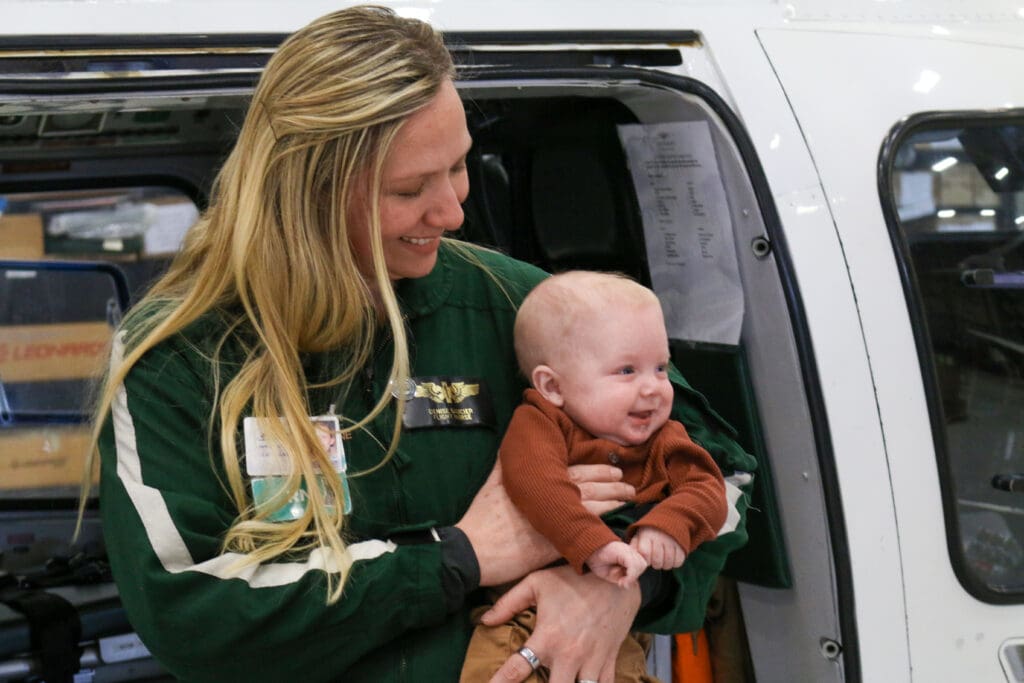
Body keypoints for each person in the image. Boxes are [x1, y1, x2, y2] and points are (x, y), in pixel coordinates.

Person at [83, 6, 755, 682]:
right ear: (306, 189)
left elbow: (723, 478)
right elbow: (189, 611)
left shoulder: (512, 304)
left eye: (459, 166)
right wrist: (460, 555)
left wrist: (625, 588)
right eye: (410, 189)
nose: (454, 211)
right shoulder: (180, 355)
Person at [461, 272, 729, 683]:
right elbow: (536, 483)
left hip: (617, 627)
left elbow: (708, 488)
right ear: (552, 386)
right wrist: (592, 543)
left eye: (661, 367)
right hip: (518, 612)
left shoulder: (666, 437)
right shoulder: (541, 423)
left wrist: (670, 525)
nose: (654, 388)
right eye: (626, 371)